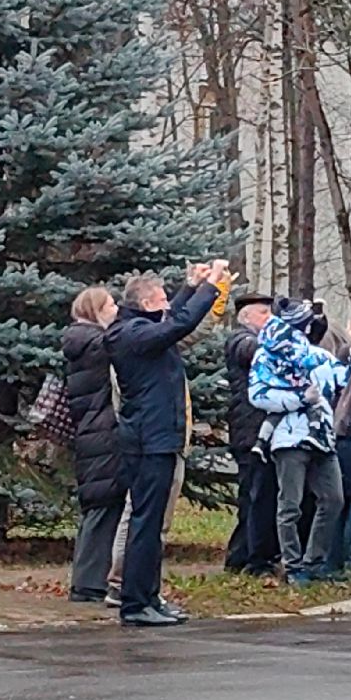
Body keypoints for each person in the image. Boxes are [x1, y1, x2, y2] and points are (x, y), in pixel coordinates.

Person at [106, 264, 225, 626]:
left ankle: (149, 597)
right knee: (146, 522)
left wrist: (189, 287)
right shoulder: (131, 334)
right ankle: (134, 603)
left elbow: (171, 317)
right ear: (144, 303)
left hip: (157, 436)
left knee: (153, 523)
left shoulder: (141, 327)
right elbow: (179, 324)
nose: (167, 304)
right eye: (161, 299)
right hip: (148, 439)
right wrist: (210, 288)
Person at [249, 297, 350, 586]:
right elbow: (257, 395)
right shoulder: (266, 356)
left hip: (321, 437)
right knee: (290, 505)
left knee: (333, 499)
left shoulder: (316, 356)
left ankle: (315, 561)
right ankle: (293, 566)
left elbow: (342, 380)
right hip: (289, 437)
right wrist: (297, 400)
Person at [61, 287, 124, 604]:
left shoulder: (81, 341)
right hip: (102, 432)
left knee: (99, 505)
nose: (117, 309)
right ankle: (89, 583)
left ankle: (90, 579)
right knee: (102, 505)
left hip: (92, 432)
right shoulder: (96, 344)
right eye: (111, 305)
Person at [223, 292, 279, 576]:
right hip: (250, 428)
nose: (270, 320)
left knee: (261, 493)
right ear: (246, 318)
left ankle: (248, 554)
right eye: (263, 314)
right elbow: (253, 352)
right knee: (253, 494)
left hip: (260, 429)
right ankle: (245, 557)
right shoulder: (239, 340)